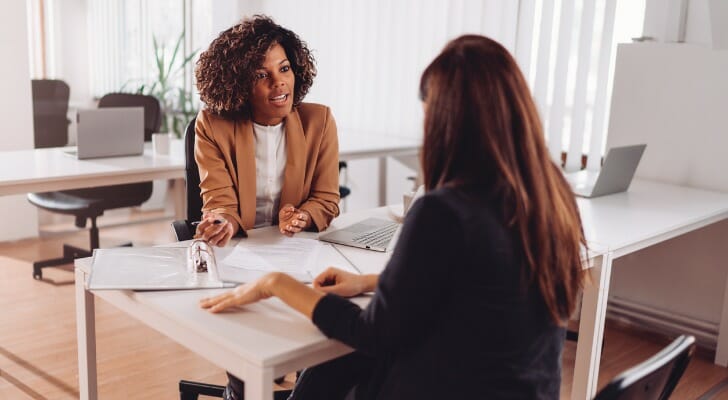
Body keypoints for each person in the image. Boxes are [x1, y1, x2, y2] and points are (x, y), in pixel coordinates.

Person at [201, 34, 587, 399]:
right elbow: (480, 283)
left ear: (444, 120)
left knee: (338, 356)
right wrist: (369, 281)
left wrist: (277, 283)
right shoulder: (550, 194)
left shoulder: (443, 211)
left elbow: (375, 333)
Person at [193, 15, 340, 248]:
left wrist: (302, 218)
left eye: (284, 68)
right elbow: (221, 203)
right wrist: (224, 223)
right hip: (240, 247)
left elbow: (326, 199)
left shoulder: (318, 122)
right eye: (262, 75)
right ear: (238, 85)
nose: (279, 82)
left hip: (296, 247)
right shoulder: (213, 126)